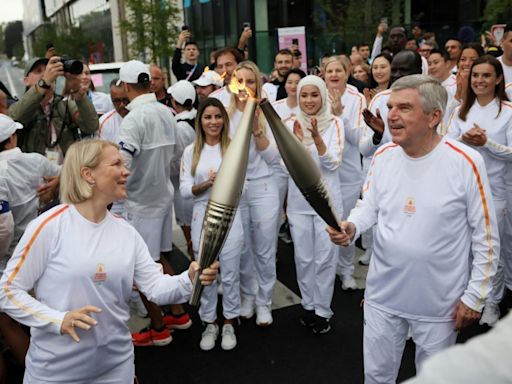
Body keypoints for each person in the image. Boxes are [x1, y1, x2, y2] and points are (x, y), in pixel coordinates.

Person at [0, 139, 218, 383]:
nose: (126, 170)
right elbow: (7, 291)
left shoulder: (126, 232)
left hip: (116, 367)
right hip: (56, 372)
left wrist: (189, 279)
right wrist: (57, 320)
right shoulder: (48, 227)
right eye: (116, 164)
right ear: (88, 174)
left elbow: (156, 288)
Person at [328, 74, 499, 384]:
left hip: (439, 302)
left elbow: (486, 236)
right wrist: (352, 226)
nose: (391, 115)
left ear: (434, 116)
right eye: (391, 106)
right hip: (383, 294)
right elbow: (370, 205)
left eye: (404, 108)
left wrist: (474, 297)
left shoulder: (466, 162)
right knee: (377, 376)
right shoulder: (383, 155)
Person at [115, 60, 191, 346]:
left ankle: (158, 327)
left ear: (126, 86)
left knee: (143, 270)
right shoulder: (167, 112)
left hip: (140, 202)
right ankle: (178, 313)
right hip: (162, 198)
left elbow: (121, 165)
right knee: (158, 260)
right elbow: (176, 156)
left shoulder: (133, 119)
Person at [446, 55, 512, 326]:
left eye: (486, 76)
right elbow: (446, 147)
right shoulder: (460, 111)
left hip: (496, 192)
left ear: (498, 79)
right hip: (463, 192)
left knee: (490, 250)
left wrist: (487, 144)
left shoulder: (508, 112)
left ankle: (493, 302)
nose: (479, 81)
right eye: (475, 75)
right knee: (465, 250)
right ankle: (466, 297)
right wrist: (464, 139)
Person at [180, 98, 243, 351]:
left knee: (230, 273)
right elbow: (184, 190)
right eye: (208, 117)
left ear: (224, 121)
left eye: (218, 117)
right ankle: (210, 322)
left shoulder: (234, 149)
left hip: (230, 217)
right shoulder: (190, 151)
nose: (213, 122)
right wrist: (207, 184)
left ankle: (229, 320)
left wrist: (226, 183)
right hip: (201, 216)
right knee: (205, 273)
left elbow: (244, 186)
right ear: (200, 121)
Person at [287, 75, 344, 333]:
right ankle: (308, 305)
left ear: (323, 95)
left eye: (314, 95)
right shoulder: (289, 124)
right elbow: (283, 164)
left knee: (325, 258)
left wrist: (316, 138)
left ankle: (323, 310)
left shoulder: (335, 124)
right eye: (304, 96)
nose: (309, 100)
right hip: (299, 202)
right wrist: (298, 143)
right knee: (303, 258)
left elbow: (333, 163)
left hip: (327, 203)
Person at [227, 61, 280, 325]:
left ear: (257, 85)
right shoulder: (223, 114)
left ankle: (264, 302)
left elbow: (273, 158)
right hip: (235, 189)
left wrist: (257, 126)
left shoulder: (267, 113)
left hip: (263, 187)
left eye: (250, 81)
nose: (244, 87)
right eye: (240, 80)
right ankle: (247, 296)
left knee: (264, 249)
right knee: (243, 248)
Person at [359, 50, 422, 267]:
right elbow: (364, 148)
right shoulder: (380, 100)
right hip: (389, 184)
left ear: (418, 72)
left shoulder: (433, 99)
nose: (397, 75)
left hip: (421, 183)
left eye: (403, 71)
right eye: (394, 70)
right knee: (385, 243)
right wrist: (378, 135)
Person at [323, 56, 366, 289]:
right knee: (325, 225)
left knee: (346, 224)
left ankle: (347, 270)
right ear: (323, 73)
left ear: (347, 72)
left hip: (348, 173)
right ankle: (326, 271)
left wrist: (340, 115)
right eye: (329, 70)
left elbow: (359, 139)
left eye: (339, 70)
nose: (334, 74)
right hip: (322, 173)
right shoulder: (316, 94)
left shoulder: (357, 99)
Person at [9, 56, 98, 163]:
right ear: (26, 81)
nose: (45, 74)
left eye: (48, 70)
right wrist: (43, 82)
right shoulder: (22, 107)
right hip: (35, 175)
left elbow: (91, 126)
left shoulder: (64, 104)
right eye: (38, 71)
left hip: (65, 173)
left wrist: (79, 93)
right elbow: (14, 117)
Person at [0, 114, 60, 265]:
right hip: (40, 250)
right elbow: (4, 227)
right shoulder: (36, 161)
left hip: (9, 258)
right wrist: (61, 179)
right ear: (11, 140)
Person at [271, 68, 306, 244]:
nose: (293, 86)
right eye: (289, 82)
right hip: (278, 164)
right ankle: (274, 245)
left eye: (297, 82)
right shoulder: (276, 107)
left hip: (300, 166)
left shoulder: (307, 107)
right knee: (274, 206)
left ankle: (295, 238)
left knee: (297, 207)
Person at [167, 80, 198, 257]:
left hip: (182, 186)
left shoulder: (179, 127)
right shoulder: (197, 119)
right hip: (200, 182)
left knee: (190, 234)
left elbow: (174, 158)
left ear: (174, 102)